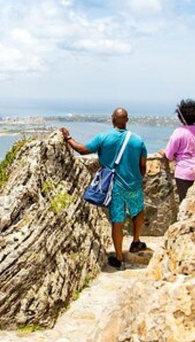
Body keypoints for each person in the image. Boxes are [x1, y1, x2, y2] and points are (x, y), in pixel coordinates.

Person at [60, 108, 147, 270]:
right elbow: (143, 166)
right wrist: (136, 178)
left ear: (112, 120)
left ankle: (119, 257)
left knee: (117, 221)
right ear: (127, 120)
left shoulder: (104, 137)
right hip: (134, 184)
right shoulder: (138, 140)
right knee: (138, 211)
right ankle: (136, 242)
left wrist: (68, 137)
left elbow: (82, 150)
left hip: (114, 187)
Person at [161, 99, 195, 203]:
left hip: (184, 173)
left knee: (185, 202)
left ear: (181, 118)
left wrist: (162, 152)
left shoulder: (179, 132)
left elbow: (169, 155)